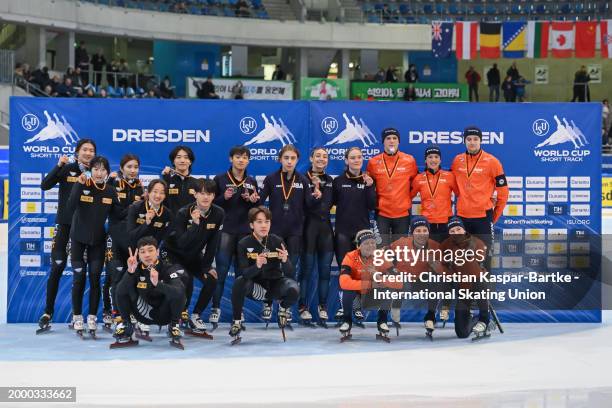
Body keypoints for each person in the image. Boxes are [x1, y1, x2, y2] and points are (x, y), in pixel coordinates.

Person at [37, 140, 97, 333]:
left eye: (91, 150)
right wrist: (59, 165)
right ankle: (48, 312)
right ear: (77, 152)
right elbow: (45, 185)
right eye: (84, 150)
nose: (88, 153)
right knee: (58, 266)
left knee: (82, 272)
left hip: (84, 230)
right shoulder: (68, 168)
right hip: (64, 225)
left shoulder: (97, 173)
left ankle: (77, 315)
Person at [259, 145, 318, 322]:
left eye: (293, 158)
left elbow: (309, 205)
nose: (289, 161)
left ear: (297, 160)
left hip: (294, 231)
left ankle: (285, 307)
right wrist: (255, 199)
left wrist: (316, 195)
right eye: (286, 158)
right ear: (280, 159)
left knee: (290, 269)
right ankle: (268, 302)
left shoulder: (303, 180)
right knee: (270, 267)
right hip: (274, 231)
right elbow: (260, 201)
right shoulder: (271, 179)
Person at [163, 178, 224, 336]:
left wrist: (206, 267)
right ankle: (175, 319)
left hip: (194, 255)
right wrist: (195, 224)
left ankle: (195, 315)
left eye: (209, 194)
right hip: (174, 254)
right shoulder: (184, 213)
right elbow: (181, 243)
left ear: (214, 196)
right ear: (195, 194)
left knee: (212, 279)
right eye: (202, 193)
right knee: (185, 279)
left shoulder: (218, 213)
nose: (205, 197)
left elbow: (213, 243)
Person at [68, 156, 120, 337]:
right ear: (91, 171)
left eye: (102, 169)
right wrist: (78, 185)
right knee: (78, 278)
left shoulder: (111, 191)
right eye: (95, 169)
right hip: (77, 240)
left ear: (107, 172)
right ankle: (76, 316)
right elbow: (70, 206)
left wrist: (140, 206)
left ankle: (91, 316)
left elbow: (119, 215)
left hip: (98, 242)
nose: (99, 173)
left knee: (96, 277)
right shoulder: (83, 185)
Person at [230, 206, 298, 344]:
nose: (263, 225)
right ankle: (237, 321)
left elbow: (290, 273)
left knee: (294, 289)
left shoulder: (277, 240)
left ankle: (283, 309)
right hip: (256, 288)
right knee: (239, 282)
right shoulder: (244, 244)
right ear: (251, 225)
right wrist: (257, 266)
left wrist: (285, 261)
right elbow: (244, 273)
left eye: (267, 222)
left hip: (275, 287)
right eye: (259, 222)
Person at [210, 146, 260, 328]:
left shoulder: (251, 180)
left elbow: (256, 207)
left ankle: (238, 314)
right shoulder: (220, 179)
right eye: (238, 157)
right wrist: (224, 197)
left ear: (248, 161)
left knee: (242, 276)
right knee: (221, 273)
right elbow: (211, 204)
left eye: (245, 157)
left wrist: (254, 201)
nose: (241, 160)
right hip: (225, 231)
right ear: (231, 159)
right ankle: (216, 309)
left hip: (245, 233)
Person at [450, 126, 509, 272]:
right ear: (464, 141)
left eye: (475, 139)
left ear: (480, 141)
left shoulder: (492, 161)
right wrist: (462, 199)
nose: (472, 142)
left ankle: (483, 289)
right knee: (460, 256)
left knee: (484, 255)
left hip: (483, 217)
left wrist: (494, 216)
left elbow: (503, 192)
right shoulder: (457, 160)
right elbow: (454, 185)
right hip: (462, 217)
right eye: (469, 139)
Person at [111, 237, 186, 348]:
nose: (147, 255)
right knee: (121, 287)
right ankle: (126, 324)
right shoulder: (135, 269)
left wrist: (158, 284)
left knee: (180, 291)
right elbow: (120, 292)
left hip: (164, 315)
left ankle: (174, 325)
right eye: (143, 252)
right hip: (141, 315)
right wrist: (130, 272)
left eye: (150, 250)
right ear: (139, 255)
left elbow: (179, 293)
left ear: (158, 252)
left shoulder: (168, 268)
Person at [332, 147, 376, 322]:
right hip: (342, 232)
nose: (356, 160)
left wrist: (370, 187)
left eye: (359, 157)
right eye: (352, 158)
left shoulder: (368, 181)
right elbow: (331, 203)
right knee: (345, 273)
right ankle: (344, 309)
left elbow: (372, 205)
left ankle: (357, 309)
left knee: (361, 273)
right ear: (346, 160)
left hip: (363, 235)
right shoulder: (338, 181)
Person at [388, 216, 448, 336]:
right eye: (418, 231)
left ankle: (430, 316)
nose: (422, 234)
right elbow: (383, 253)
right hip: (404, 282)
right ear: (412, 232)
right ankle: (396, 305)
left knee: (436, 279)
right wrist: (391, 268)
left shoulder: (435, 246)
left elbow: (446, 273)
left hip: (422, 282)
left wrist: (437, 267)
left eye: (425, 230)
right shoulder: (402, 242)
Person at [104, 154, 144, 327]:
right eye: (129, 167)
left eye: (135, 167)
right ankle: (113, 312)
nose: (133, 170)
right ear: (121, 168)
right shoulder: (113, 183)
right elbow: (115, 212)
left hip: (132, 238)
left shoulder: (140, 186)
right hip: (114, 236)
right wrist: (135, 207)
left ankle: (130, 312)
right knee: (114, 276)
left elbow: (139, 215)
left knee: (131, 277)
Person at [338, 229, 399, 341]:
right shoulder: (350, 257)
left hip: (373, 295)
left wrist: (379, 277)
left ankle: (382, 321)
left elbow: (398, 281)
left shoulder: (381, 257)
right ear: (359, 246)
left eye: (373, 243)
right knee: (347, 290)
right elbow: (343, 282)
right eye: (366, 243)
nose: (370, 246)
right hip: (357, 295)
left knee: (389, 289)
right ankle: (347, 321)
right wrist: (370, 284)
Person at [440, 217, 492, 339]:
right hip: (462, 289)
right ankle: (473, 318)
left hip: (477, 283)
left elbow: (482, 268)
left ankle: (484, 320)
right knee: (462, 333)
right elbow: (445, 274)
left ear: (463, 230)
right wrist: (445, 306)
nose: (456, 233)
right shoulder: (445, 246)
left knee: (479, 278)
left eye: (458, 229)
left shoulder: (477, 243)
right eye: (452, 231)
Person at [299, 147, 334, 326]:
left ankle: (323, 307)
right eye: (318, 156)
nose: (321, 159)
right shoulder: (302, 178)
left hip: (326, 230)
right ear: (311, 158)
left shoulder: (330, 180)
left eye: (325, 156)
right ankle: (303, 307)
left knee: (325, 272)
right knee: (306, 271)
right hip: (308, 229)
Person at [366, 128, 418, 245]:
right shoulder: (373, 162)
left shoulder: (409, 160)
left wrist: (406, 198)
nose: (391, 141)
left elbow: (416, 182)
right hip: (382, 214)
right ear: (383, 142)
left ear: (398, 141)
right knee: (381, 250)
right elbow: (369, 185)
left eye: (394, 138)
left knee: (399, 251)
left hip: (402, 214)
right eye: (388, 138)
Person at [410, 145, 458, 243]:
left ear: (440, 160)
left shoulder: (449, 176)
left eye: (436, 157)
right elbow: (408, 196)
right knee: (429, 255)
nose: (433, 160)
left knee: (445, 254)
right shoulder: (418, 178)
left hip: (446, 222)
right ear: (425, 160)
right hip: (426, 224)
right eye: (430, 157)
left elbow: (460, 195)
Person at [161, 146, 199, 216]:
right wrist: (165, 178)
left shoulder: (197, 183)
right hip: (170, 224)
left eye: (186, 157)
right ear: (173, 161)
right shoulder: (166, 181)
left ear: (190, 162)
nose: (182, 160)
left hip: (190, 224)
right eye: (178, 157)